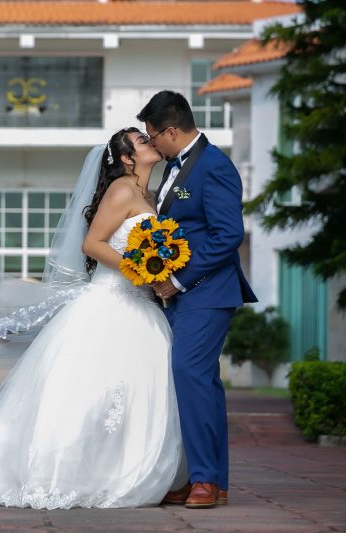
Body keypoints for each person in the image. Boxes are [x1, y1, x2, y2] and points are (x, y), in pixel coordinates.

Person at [0, 128, 185, 509]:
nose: (150, 142)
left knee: (134, 393)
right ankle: (63, 473)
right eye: (140, 140)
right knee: (89, 391)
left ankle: (120, 469)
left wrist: (155, 274)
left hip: (142, 308)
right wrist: (145, 271)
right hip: (109, 303)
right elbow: (92, 244)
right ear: (126, 157)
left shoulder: (149, 196)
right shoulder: (121, 189)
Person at [137, 91, 257, 509]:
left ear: (172, 130)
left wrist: (179, 281)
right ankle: (208, 479)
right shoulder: (175, 166)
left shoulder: (215, 166)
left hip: (207, 292)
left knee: (188, 374)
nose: (151, 144)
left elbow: (229, 235)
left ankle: (204, 479)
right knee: (201, 383)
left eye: (153, 136)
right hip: (182, 294)